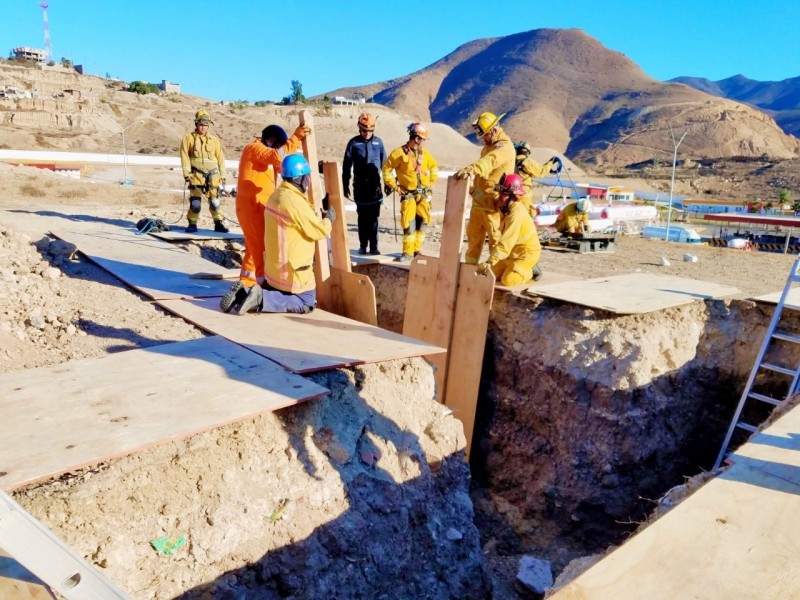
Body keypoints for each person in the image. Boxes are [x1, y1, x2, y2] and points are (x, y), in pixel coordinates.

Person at [219, 122, 310, 313]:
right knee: (261, 249)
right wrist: (296, 138)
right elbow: (278, 156)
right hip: (251, 207)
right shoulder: (254, 148)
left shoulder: (266, 156)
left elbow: (282, 165)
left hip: (259, 207)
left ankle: (245, 284)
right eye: (278, 145)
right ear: (270, 140)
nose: (279, 149)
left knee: (253, 249)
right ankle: (262, 290)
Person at [235, 154, 335, 315]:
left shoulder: (278, 195)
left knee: (281, 291)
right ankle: (262, 298)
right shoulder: (295, 202)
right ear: (299, 178)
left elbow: (299, 214)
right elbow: (318, 231)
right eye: (306, 176)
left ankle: (243, 294)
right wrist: (329, 220)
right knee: (306, 302)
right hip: (291, 272)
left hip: (273, 273)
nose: (308, 180)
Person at [454, 111, 516, 264]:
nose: (484, 140)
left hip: (493, 205)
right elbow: (483, 176)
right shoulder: (489, 147)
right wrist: (474, 189)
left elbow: (489, 162)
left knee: (496, 240)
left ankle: (496, 271)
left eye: (485, 136)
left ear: (494, 130)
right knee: (473, 237)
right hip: (479, 203)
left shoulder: (504, 148)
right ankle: (470, 268)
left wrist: (471, 168)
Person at [382, 122, 439, 261]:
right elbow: (386, 171)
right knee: (408, 224)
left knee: (423, 222)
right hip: (408, 194)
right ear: (417, 139)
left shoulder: (425, 155)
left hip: (424, 195)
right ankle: (407, 253)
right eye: (423, 140)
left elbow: (434, 168)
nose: (424, 143)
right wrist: (395, 187)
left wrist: (431, 185)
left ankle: (416, 251)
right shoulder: (398, 154)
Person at [477, 173, 543, 285]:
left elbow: (506, 243)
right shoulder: (507, 209)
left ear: (514, 196)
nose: (500, 197)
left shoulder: (516, 214)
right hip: (512, 255)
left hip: (525, 255)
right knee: (491, 274)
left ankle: (531, 270)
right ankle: (514, 268)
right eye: (500, 193)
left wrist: (490, 260)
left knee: (508, 280)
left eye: (504, 194)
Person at [342, 113, 386, 255]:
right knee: (362, 217)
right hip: (360, 187)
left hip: (375, 187)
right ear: (359, 128)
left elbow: (386, 165)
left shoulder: (379, 143)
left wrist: (389, 184)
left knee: (374, 218)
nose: (367, 133)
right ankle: (363, 246)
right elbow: (346, 166)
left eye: (370, 131)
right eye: (364, 130)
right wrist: (345, 185)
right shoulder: (353, 143)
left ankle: (374, 247)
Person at [179, 109, 228, 233]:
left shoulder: (214, 140)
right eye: (201, 125)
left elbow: (220, 158)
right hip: (196, 176)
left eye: (206, 125)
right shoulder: (188, 139)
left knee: (215, 202)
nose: (203, 128)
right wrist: (186, 174)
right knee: (195, 203)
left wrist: (223, 175)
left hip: (213, 176)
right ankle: (192, 224)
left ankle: (218, 223)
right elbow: (184, 157)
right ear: (196, 124)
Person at [514, 141, 562, 217]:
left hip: (511, 192)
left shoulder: (511, 161)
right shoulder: (527, 162)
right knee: (528, 215)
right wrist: (551, 162)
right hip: (523, 193)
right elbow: (541, 172)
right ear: (526, 152)